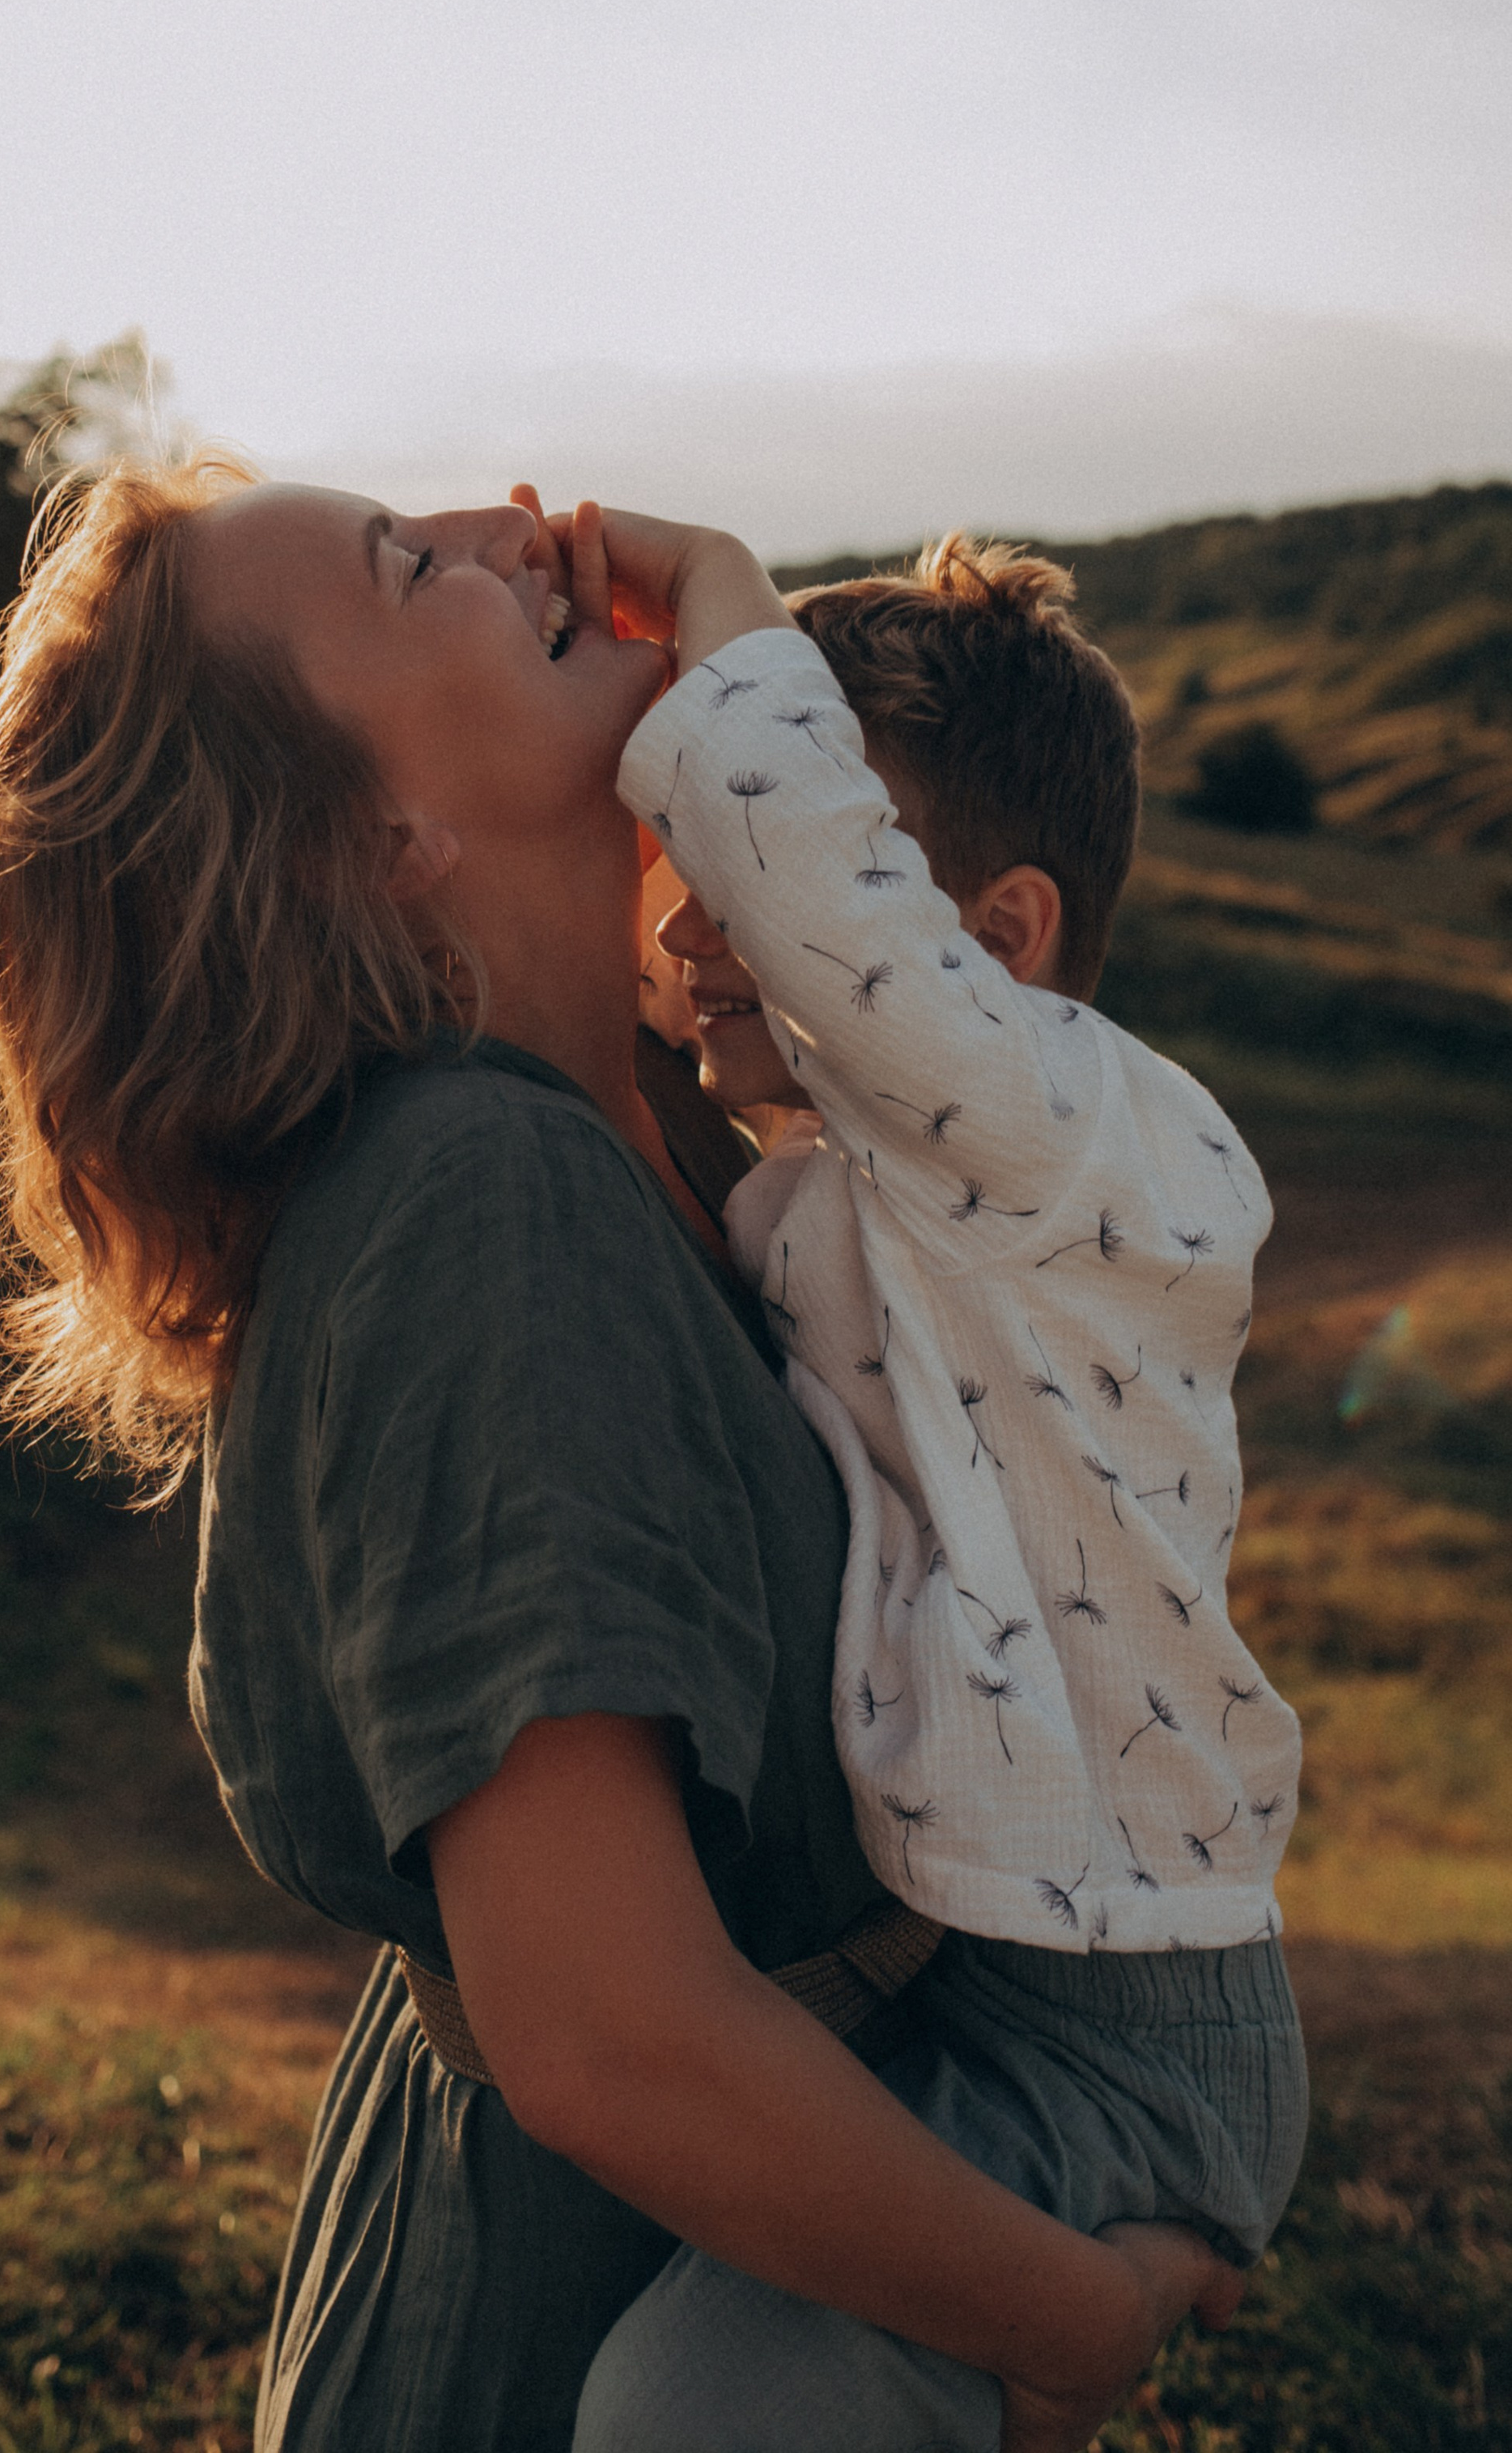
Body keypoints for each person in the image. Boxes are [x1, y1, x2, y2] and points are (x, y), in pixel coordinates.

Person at [0, 453, 1242, 2453]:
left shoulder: (676, 1133)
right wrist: (1069, 2316)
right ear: (370, 833)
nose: (510, 523)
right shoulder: (483, 1204)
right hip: (564, 2352)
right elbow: (611, 2039)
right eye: (406, 562)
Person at [553, 503, 1306, 2453]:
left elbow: (817, 907)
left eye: (775, 874)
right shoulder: (878, 1189)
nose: (703, 922)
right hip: (976, 1976)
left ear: (989, 949)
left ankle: (1100, 2313)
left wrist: (715, 591)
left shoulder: (1059, 1131)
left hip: (1123, 2034)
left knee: (674, 2421)